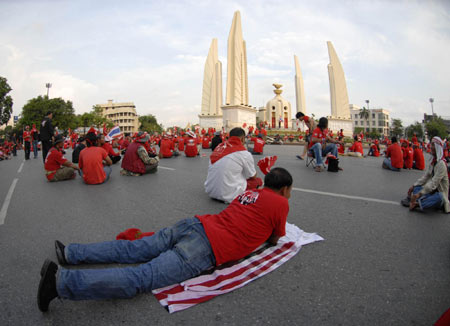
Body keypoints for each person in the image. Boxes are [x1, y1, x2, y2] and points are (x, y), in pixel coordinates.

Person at [37, 167, 292, 312]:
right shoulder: (280, 202)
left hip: (195, 224)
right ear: (284, 189)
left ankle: (71, 253)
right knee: (142, 277)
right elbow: (276, 237)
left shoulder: (248, 194)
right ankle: (60, 283)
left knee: (132, 249)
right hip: (205, 247)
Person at [204, 127, 263, 203]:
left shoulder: (218, 148)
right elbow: (253, 175)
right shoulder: (244, 153)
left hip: (211, 192)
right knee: (257, 181)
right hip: (229, 195)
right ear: (242, 139)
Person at [400, 137, 449, 213]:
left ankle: (417, 203)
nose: (431, 147)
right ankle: (421, 200)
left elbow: (433, 183)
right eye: (431, 145)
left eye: (433, 145)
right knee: (417, 187)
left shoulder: (442, 164)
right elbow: (425, 177)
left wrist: (419, 194)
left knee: (440, 197)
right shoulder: (433, 161)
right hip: (431, 191)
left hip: (439, 193)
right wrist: (413, 186)